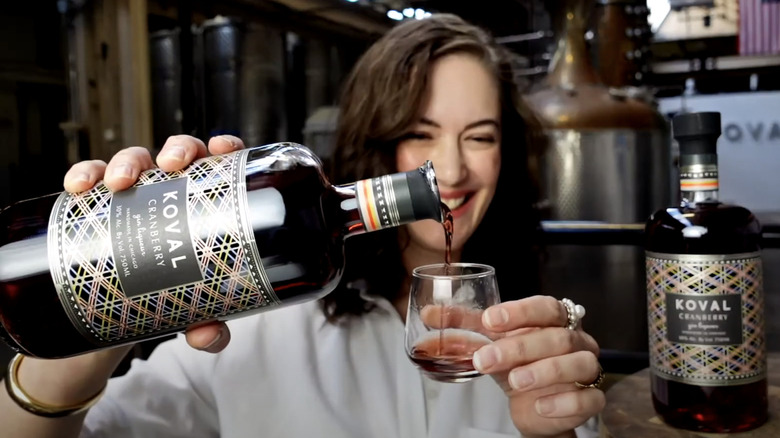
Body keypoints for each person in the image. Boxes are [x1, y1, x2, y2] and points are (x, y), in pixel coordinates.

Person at [0, 13, 605, 438]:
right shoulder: (261, 325)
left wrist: (551, 433)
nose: (449, 167)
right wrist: (106, 293)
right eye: (418, 132)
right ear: (375, 137)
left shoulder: (533, 331)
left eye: (480, 137)